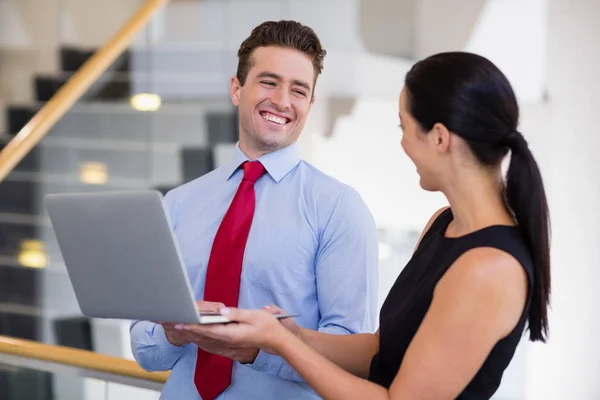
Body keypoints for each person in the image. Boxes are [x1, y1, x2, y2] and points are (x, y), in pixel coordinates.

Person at [175, 51, 552, 400]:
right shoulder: (443, 225)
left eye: (403, 126)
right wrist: (293, 335)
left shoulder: (489, 269)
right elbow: (380, 351)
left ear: (439, 138)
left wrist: (283, 344)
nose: (402, 143)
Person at [129, 20, 379, 400]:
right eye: (268, 82)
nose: (282, 101)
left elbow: (350, 356)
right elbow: (144, 349)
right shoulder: (179, 202)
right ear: (236, 88)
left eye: (299, 90)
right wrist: (171, 334)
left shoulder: (339, 209)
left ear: (310, 105)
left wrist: (261, 350)